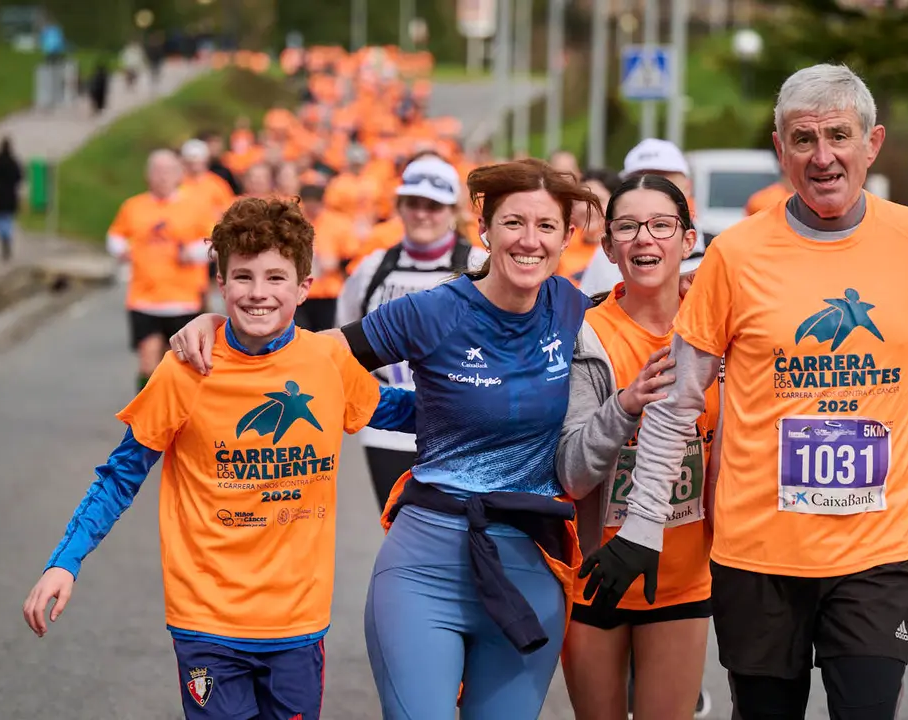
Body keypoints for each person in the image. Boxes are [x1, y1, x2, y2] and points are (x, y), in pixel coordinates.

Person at [580, 63, 908, 720]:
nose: (823, 157)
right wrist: (643, 527)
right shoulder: (734, 256)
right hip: (756, 557)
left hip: (874, 555)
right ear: (779, 149)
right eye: (803, 139)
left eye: (838, 136)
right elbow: (677, 406)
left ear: (871, 143)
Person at [167, 159, 603, 719]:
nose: (529, 240)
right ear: (484, 227)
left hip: (529, 565)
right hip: (426, 567)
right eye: (513, 222)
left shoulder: (572, 309)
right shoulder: (434, 311)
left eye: (546, 226)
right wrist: (216, 328)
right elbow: (311, 353)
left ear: (568, 236)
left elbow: (653, 319)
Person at [22, 196, 416, 720]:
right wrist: (64, 561)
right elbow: (120, 476)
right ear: (221, 283)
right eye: (243, 277)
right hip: (206, 619)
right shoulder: (186, 368)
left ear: (303, 287)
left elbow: (394, 409)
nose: (258, 294)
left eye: (276, 278)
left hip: (297, 622)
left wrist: (502, 403)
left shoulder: (329, 361)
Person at [558, 174, 717, 720]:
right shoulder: (585, 335)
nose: (644, 239)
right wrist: (624, 406)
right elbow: (572, 473)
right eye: (626, 226)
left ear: (688, 240)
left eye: (661, 225)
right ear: (607, 247)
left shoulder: (721, 334)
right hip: (594, 579)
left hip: (685, 580)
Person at [337, 155, 487, 510]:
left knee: (459, 536)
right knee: (398, 528)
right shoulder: (373, 267)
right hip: (387, 426)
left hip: (459, 425)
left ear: (453, 210)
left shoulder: (480, 265)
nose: (422, 214)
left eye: (434, 206)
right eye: (413, 203)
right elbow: (343, 342)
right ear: (399, 207)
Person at [106, 149, 212, 390]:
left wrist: (192, 253)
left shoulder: (195, 207)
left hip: (183, 299)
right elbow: (115, 235)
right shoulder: (133, 206)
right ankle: (144, 413)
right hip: (145, 298)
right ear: (147, 175)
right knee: (148, 362)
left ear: (178, 175)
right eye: (156, 171)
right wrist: (120, 249)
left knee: (177, 363)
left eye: (167, 171)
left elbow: (214, 245)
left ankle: (176, 416)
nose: (162, 177)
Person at [578, 140, 706, 296]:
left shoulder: (716, 250)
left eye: (664, 180)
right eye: (638, 180)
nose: (650, 188)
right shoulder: (605, 256)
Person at [294, 183, 355, 332]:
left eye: (315, 202)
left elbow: (352, 256)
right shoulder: (293, 223)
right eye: (308, 202)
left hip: (329, 290)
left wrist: (337, 262)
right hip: (299, 291)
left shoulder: (338, 223)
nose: (311, 207)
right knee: (300, 334)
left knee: (325, 334)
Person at [0, 138, 24, 262]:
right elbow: (20, 177)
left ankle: (3, 237)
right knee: (8, 218)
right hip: (11, 194)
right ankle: (7, 236)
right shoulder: (14, 162)